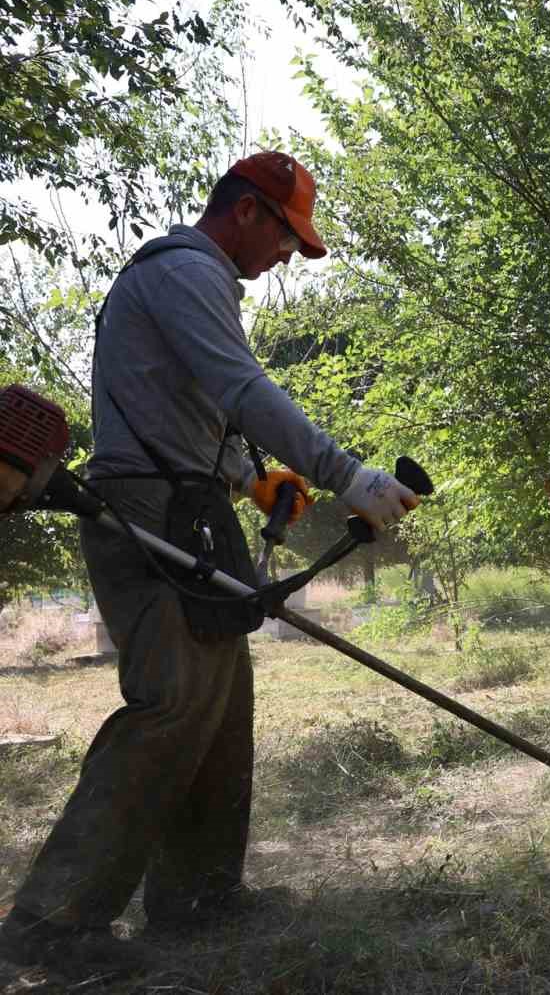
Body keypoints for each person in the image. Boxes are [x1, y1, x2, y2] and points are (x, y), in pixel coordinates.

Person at [0, 151, 420, 979]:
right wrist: (345, 474)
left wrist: (255, 481)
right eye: (287, 239)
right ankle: (50, 921)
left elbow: (193, 411)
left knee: (223, 703)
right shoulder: (184, 269)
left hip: (188, 506)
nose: (283, 261)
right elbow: (239, 386)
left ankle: (197, 893)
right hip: (144, 511)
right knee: (170, 704)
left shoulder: (202, 282)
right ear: (248, 212)